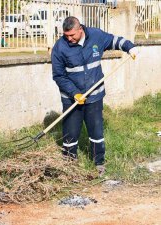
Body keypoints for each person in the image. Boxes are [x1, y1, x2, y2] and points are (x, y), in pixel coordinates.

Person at [51, 16, 137, 177]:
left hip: (95, 96)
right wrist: (74, 93)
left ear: (80, 29)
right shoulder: (59, 47)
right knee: (70, 132)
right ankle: (69, 165)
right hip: (72, 99)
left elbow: (114, 40)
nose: (69, 39)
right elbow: (59, 75)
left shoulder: (96, 36)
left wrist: (129, 47)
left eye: (72, 35)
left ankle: (99, 163)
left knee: (96, 131)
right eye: (66, 35)